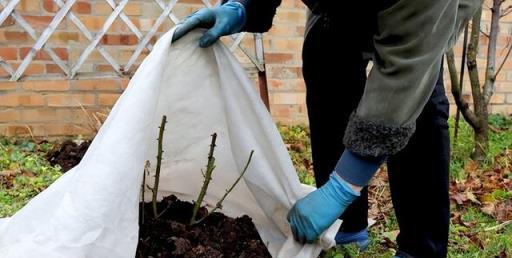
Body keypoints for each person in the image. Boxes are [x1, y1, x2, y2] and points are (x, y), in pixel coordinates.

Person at [171, 0, 480, 257]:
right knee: (325, 48)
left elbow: (405, 72)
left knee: (420, 100)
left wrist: (342, 187)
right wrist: (245, 6)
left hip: (429, 11)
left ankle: (420, 247)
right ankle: (346, 228)